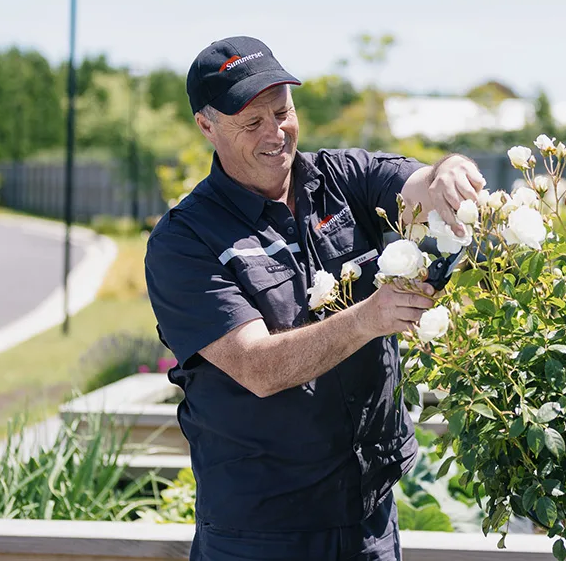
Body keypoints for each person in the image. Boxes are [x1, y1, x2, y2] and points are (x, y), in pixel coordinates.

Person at [145, 36, 485, 561]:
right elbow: (256, 366)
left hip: (370, 521)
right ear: (206, 126)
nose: (275, 133)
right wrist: (369, 318)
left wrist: (447, 173)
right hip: (260, 535)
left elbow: (417, 185)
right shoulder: (184, 241)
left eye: (282, 112)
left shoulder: (343, 179)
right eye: (251, 123)